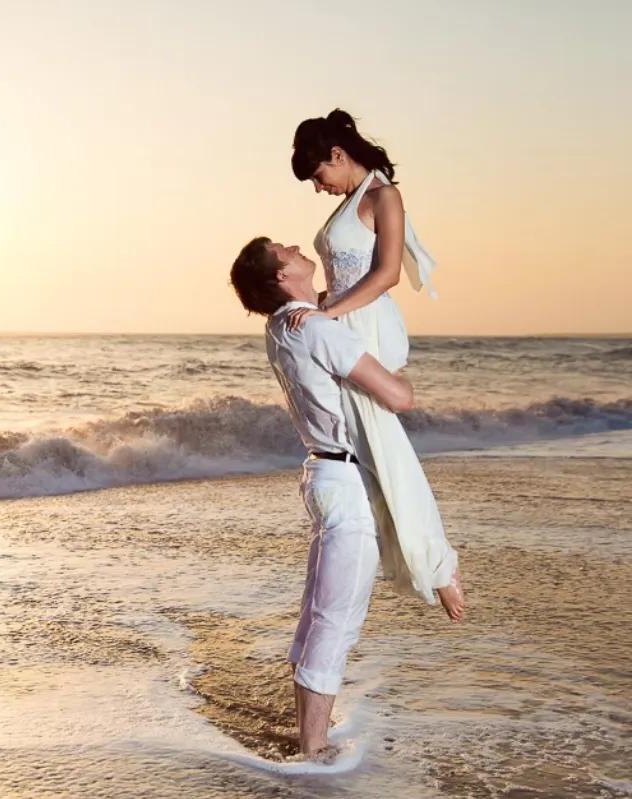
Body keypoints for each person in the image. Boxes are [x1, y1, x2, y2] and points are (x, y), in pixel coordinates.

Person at [229, 236, 419, 757]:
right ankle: (312, 753)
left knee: (317, 614)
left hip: (322, 474)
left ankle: (309, 736)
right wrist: (394, 370)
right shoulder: (313, 327)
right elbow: (399, 397)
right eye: (283, 250)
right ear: (282, 277)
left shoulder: (282, 327)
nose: (294, 244)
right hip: (343, 482)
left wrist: (328, 306)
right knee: (334, 620)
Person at [287, 109, 463, 618]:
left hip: (362, 327)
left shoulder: (384, 197)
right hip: (346, 322)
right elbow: (345, 277)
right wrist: (319, 305)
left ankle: (438, 563)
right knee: (367, 455)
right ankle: (413, 559)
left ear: (338, 156)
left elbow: (386, 274)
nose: (319, 188)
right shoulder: (349, 202)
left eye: (319, 175)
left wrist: (328, 312)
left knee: (385, 452)